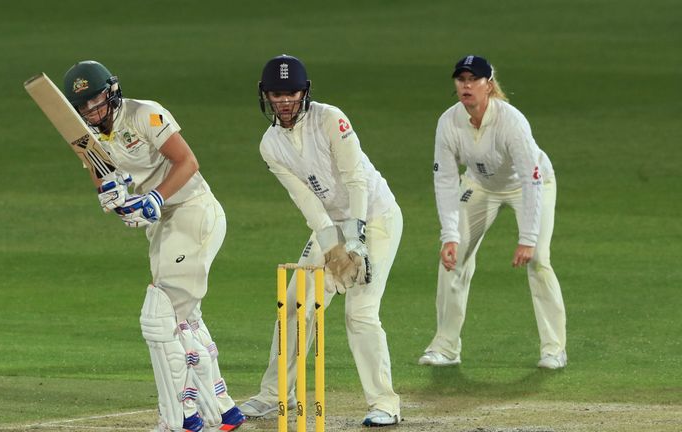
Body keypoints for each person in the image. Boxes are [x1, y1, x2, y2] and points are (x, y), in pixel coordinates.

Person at [61, 60, 245, 432]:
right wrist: (116, 203)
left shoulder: (146, 114)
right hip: (164, 225)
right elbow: (106, 182)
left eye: (97, 102)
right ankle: (222, 411)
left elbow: (187, 162)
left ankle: (180, 419)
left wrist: (155, 198)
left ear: (112, 93)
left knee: (159, 318)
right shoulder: (89, 140)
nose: (93, 112)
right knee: (184, 319)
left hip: (193, 212)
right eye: (84, 108)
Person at [238, 54, 403, 427]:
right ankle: (276, 393)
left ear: (305, 92)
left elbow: (356, 178)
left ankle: (385, 403)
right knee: (296, 304)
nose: (284, 101)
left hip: (375, 218)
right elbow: (307, 201)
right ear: (265, 96)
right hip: (330, 223)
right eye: (276, 94)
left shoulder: (331, 119)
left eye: (290, 93)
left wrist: (355, 240)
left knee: (359, 312)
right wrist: (332, 245)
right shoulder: (270, 146)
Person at [418, 55, 567, 370]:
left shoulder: (511, 121)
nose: (466, 85)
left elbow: (531, 178)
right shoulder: (448, 122)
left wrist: (527, 238)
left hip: (530, 184)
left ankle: (554, 349)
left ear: (489, 84)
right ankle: (446, 347)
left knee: (539, 259)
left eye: (474, 79)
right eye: (461, 80)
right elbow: (444, 180)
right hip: (480, 185)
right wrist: (449, 235)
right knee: (452, 258)